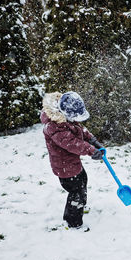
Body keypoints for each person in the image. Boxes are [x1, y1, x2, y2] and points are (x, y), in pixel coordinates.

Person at [40, 91, 104, 229]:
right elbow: (73, 143)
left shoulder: (66, 118)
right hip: (64, 167)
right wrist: (91, 150)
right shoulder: (55, 128)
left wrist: (92, 139)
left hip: (72, 164)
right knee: (76, 193)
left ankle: (81, 205)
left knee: (83, 181)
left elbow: (79, 129)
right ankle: (73, 222)